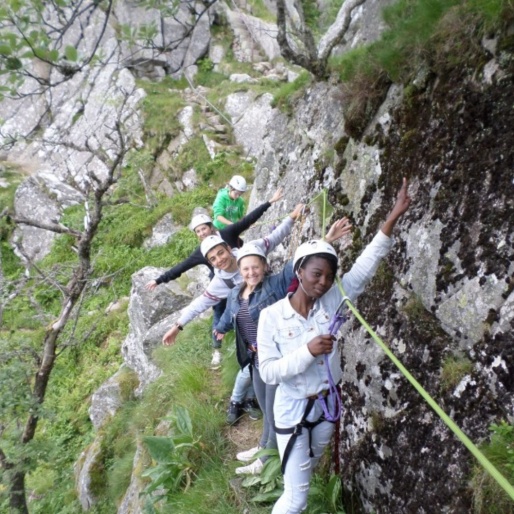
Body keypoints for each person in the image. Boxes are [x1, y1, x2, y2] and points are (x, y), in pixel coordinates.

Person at [257, 178, 411, 514]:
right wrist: (307, 351)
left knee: (308, 473)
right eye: (316, 274)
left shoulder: (332, 302)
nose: (323, 282)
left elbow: (364, 267)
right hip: (292, 411)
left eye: (328, 276)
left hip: (326, 409)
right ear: (299, 271)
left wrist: (391, 219)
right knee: (296, 498)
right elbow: (268, 373)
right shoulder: (271, 316)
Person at [214, 216, 352, 476]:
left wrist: (328, 239)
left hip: (277, 358)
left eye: (256, 267)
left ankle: (266, 461)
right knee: (266, 410)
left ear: (264, 267)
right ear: (239, 271)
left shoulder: (274, 285)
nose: (251, 273)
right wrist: (219, 330)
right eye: (246, 269)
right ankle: (263, 449)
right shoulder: (236, 294)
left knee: (274, 410)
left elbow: (300, 264)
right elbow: (228, 318)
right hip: (254, 360)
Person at [146, 187, 284, 370]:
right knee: (220, 316)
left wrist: (270, 203)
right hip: (223, 285)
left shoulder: (227, 234)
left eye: (204, 229)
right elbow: (181, 268)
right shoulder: (201, 252)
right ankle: (217, 348)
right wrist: (159, 280)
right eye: (198, 231)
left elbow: (249, 220)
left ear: (212, 227)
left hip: (247, 277)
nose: (202, 233)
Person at [161, 202, 306, 348]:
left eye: (220, 253)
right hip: (263, 321)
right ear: (210, 263)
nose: (219, 260)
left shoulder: (250, 250)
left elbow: (273, 238)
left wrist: (292, 217)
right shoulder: (220, 283)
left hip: (281, 297)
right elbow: (198, 305)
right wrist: (177, 327)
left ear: (229, 249)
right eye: (213, 259)